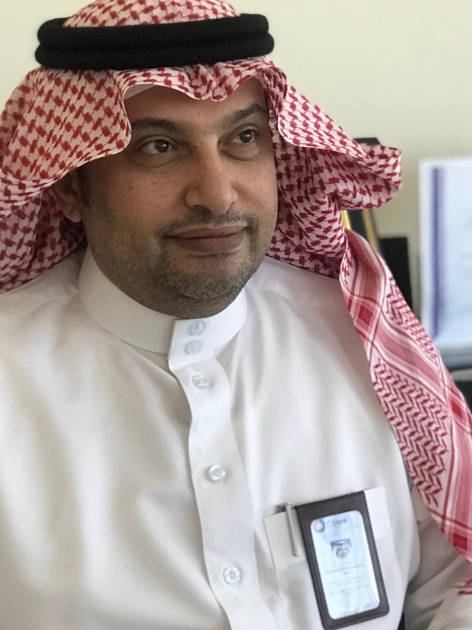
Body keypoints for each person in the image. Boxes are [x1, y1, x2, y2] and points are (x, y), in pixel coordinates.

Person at [0, 0, 471, 628]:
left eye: (243, 139)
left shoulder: (361, 335)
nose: (217, 194)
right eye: (160, 147)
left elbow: (457, 576)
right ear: (68, 185)